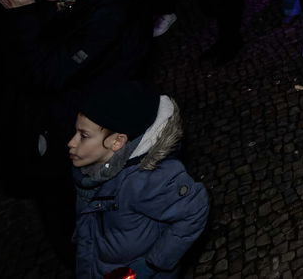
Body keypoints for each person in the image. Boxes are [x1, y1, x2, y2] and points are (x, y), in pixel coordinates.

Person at [0, 0, 148, 256]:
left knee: (75, 209)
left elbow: (51, 73)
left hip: (87, 128)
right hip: (69, 115)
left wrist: (23, 17)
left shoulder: (111, 13)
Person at [70, 81, 208, 279]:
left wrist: (154, 262)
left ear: (117, 142)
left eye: (83, 135)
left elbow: (195, 210)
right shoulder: (92, 172)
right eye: (75, 131)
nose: (71, 143)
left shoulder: (145, 181)